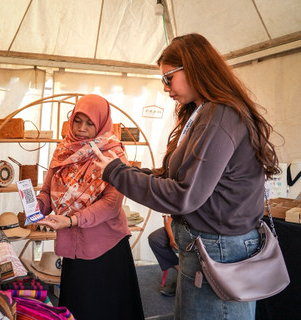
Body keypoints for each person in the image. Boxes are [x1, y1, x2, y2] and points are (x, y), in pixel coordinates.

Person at [92, 33, 280, 320]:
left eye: (168, 78)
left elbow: (183, 195)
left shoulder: (221, 116)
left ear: (193, 67)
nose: (166, 88)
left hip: (220, 251)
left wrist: (117, 172)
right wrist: (122, 170)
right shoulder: (204, 112)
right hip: (209, 247)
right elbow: (173, 178)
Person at [35, 94, 144, 320]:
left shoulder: (113, 154)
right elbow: (47, 190)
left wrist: (72, 220)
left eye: (90, 123)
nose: (82, 128)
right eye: (78, 120)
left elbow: (112, 205)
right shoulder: (63, 150)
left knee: (106, 311)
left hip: (106, 248)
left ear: (101, 123)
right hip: (72, 247)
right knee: (78, 308)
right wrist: (36, 207)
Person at [148, 214, 179, 297]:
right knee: (155, 239)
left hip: (199, 227)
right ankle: (181, 272)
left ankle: (187, 278)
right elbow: (167, 218)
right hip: (180, 225)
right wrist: (171, 238)